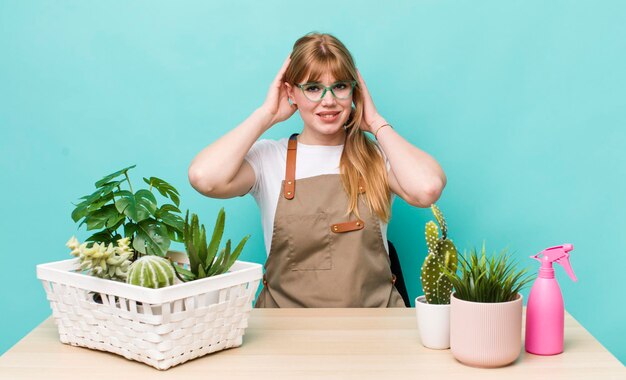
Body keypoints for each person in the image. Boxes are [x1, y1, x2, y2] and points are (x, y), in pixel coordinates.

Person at [188, 32, 446, 308]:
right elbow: (204, 178)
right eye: (312, 88)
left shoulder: (377, 156)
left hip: (375, 331)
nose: (328, 100)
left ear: (355, 91)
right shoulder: (269, 158)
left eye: (340, 86)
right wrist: (266, 115)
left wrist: (376, 122)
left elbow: (426, 189)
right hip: (286, 333)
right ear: (291, 93)